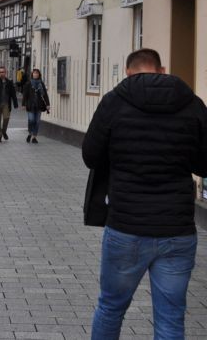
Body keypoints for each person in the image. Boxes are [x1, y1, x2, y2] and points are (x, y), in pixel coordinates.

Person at [82, 48, 207, 339]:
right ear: (161, 70)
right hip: (177, 228)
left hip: (126, 225)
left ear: (128, 72)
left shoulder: (114, 102)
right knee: (171, 317)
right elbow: (204, 163)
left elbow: (90, 155)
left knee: (111, 308)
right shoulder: (192, 103)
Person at [22, 68, 49, 143]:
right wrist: (23, 104)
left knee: (37, 122)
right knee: (31, 120)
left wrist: (47, 104)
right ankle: (30, 133)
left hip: (39, 105)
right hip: (30, 105)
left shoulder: (41, 83)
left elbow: (45, 95)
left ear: (39, 75)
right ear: (32, 75)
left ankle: (34, 137)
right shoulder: (28, 84)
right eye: (34, 73)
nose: (35, 74)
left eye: (37, 73)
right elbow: (25, 95)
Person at [0, 66, 18, 142]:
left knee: (6, 118)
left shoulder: (9, 82)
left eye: (2, 72)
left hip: (6, 103)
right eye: (0, 72)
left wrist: (15, 103)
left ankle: (3, 131)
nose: (1, 73)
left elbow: (13, 93)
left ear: (5, 72)